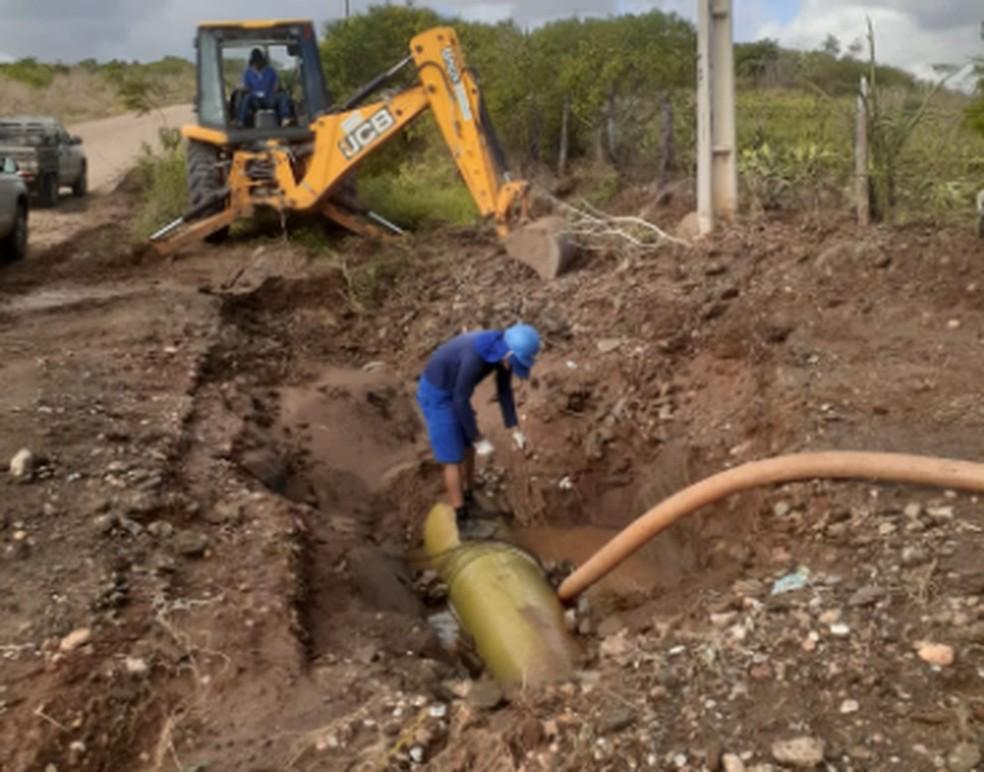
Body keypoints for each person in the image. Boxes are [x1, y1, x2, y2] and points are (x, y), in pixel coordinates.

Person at [416, 324, 540, 523]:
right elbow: (460, 399)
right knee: (452, 457)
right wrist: (478, 437)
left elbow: (504, 392)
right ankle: (461, 518)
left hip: (456, 394)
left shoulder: (501, 353)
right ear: (509, 354)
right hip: (437, 395)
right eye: (515, 362)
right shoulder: (475, 356)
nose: (513, 367)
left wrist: (514, 428)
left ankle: (469, 496)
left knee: (468, 447)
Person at [239, 48, 291, 127]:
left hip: (269, 97)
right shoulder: (248, 73)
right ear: (252, 62)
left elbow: (276, 84)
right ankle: (241, 121)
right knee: (246, 98)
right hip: (255, 99)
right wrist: (245, 89)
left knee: (283, 96)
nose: (257, 65)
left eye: (258, 62)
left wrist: (276, 88)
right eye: (255, 63)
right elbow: (246, 86)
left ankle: (285, 118)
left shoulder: (270, 71)